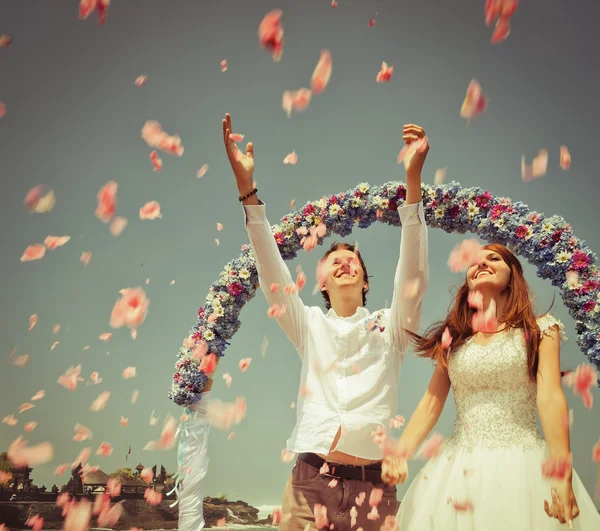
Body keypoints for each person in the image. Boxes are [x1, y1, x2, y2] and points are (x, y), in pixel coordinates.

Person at [222, 113, 430, 530]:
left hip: (375, 492)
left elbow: (414, 276)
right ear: (321, 282)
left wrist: (413, 182)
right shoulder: (309, 325)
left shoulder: (392, 328)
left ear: (366, 280)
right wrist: (248, 192)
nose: (344, 263)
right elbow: (272, 272)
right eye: (333, 261)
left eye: (353, 260)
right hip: (308, 486)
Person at [381, 243, 600, 530]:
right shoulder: (454, 341)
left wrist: (562, 476)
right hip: (458, 468)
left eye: (493, 258)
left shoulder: (541, 329)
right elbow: (431, 403)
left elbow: (549, 399)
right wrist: (400, 453)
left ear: (512, 276)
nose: (481, 263)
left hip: (523, 466)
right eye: (474, 261)